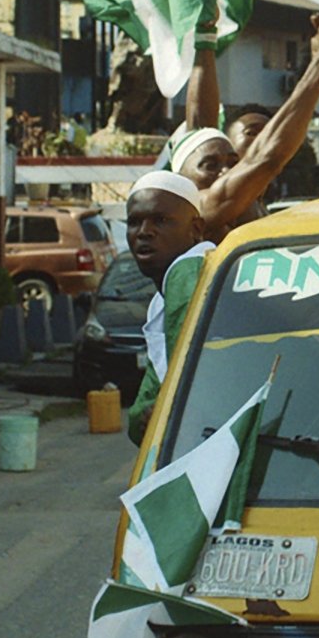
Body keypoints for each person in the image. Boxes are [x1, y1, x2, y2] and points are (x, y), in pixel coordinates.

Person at [164, 12, 319, 242]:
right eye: (252, 133)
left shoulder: (257, 208)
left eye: (232, 163)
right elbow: (261, 155)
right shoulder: (198, 209)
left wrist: (206, 37)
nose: (225, 171)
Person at [121, 170, 216, 444]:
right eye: (134, 222)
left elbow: (188, 391)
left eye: (161, 220)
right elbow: (143, 409)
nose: (144, 232)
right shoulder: (161, 298)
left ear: (196, 229)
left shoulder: (187, 271)